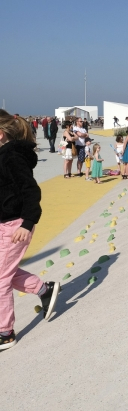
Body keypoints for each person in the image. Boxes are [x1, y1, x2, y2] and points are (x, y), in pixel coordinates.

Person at [0, 110, 60, 350]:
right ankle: (44, 289)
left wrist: (27, 222)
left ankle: (5, 332)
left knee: (0, 279)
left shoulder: (12, 157)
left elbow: (30, 190)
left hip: (16, 225)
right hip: (4, 222)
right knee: (6, 273)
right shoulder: (3, 155)